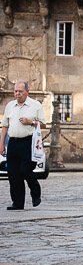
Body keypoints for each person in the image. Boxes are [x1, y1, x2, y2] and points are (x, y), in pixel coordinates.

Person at [0, 81, 46, 210]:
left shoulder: (35, 105)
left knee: (25, 170)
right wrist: (2, 144)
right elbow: (5, 126)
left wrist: (31, 122)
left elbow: (43, 124)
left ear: (27, 91)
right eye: (15, 91)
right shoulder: (10, 106)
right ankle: (17, 202)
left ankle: (35, 189)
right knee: (13, 174)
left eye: (20, 91)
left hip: (28, 142)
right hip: (13, 142)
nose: (17, 94)